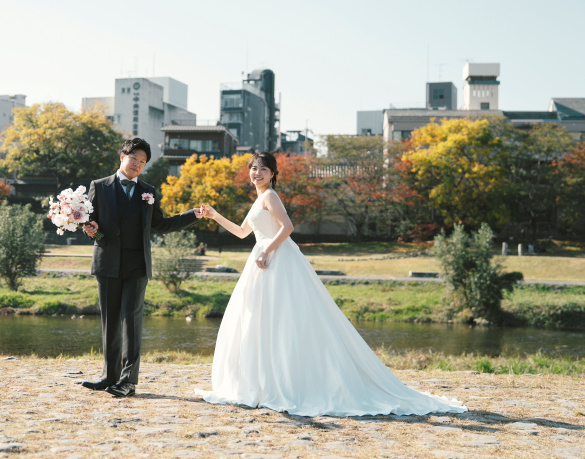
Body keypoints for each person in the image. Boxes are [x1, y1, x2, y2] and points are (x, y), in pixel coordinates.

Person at [196, 152, 466, 416]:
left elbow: (287, 227)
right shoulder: (258, 200)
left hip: (276, 260)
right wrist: (215, 215)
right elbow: (243, 232)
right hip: (262, 261)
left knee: (283, 319)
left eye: (263, 169)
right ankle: (263, 381)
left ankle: (287, 382)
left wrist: (267, 251)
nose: (257, 173)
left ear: (273, 174)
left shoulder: (270, 195)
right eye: (254, 168)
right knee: (261, 319)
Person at [81, 138, 203, 398]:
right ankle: (109, 376)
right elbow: (89, 221)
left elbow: (160, 224)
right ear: (122, 156)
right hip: (107, 264)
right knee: (109, 322)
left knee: (131, 323)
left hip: (137, 267)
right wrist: (89, 228)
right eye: (134, 158)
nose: (137, 164)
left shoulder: (148, 191)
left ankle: (128, 382)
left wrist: (193, 215)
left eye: (143, 162)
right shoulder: (99, 187)